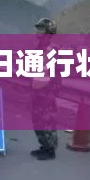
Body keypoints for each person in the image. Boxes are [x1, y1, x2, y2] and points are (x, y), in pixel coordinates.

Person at [30, 18, 60, 161]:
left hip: (47, 91)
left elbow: (57, 72)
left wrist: (52, 91)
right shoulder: (39, 48)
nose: (37, 31)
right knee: (37, 119)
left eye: (41, 29)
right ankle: (43, 145)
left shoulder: (53, 49)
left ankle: (50, 150)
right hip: (37, 89)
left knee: (47, 120)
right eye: (38, 28)